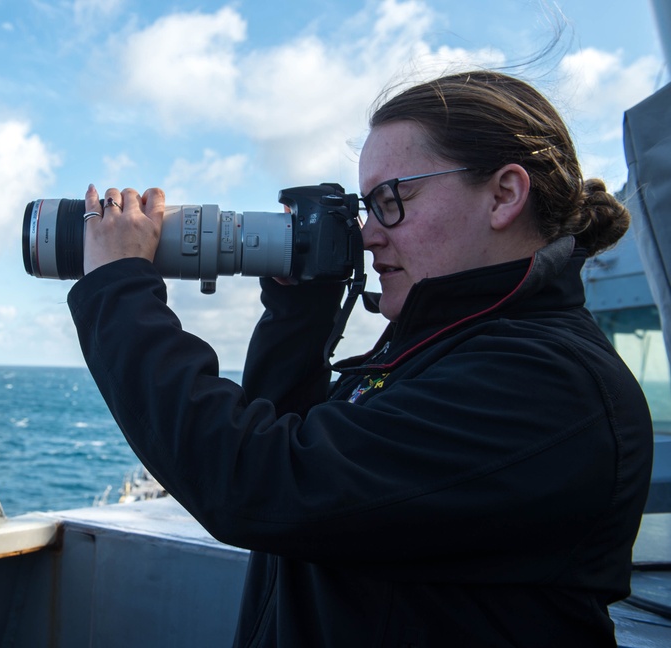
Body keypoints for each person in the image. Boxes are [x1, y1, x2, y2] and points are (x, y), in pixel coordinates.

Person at [66, 70, 653, 647]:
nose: (369, 233)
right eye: (364, 208)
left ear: (503, 196)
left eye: (391, 199)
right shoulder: (441, 350)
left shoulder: (548, 383)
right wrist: (302, 310)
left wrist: (119, 286)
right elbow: (298, 473)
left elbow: (261, 483)